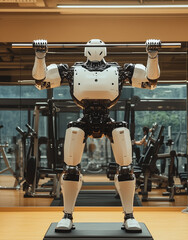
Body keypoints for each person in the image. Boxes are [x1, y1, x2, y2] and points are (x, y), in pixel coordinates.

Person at [32, 38, 161, 232]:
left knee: (125, 164)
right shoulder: (71, 70)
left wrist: (152, 55)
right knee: (71, 166)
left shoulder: (119, 70)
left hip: (108, 118)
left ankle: (129, 216)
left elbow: (151, 81)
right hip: (83, 120)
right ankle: (67, 215)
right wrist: (40, 56)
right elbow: (40, 82)